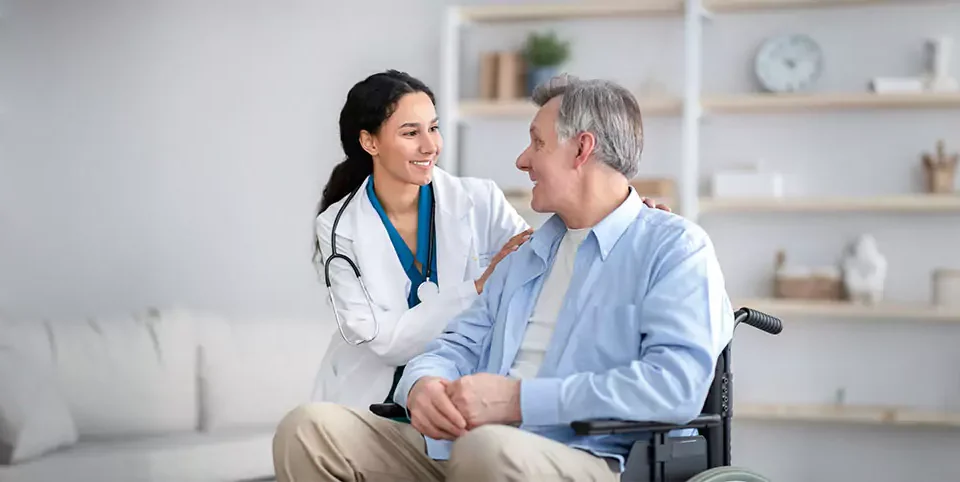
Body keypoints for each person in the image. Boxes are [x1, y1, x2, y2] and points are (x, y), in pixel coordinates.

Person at [277, 73, 731, 481]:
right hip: (461, 441)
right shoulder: (528, 254)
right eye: (411, 132)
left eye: (536, 143)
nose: (521, 160)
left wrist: (519, 401)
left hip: (581, 451)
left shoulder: (672, 247)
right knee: (308, 429)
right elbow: (453, 343)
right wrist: (423, 385)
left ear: (581, 149)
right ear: (370, 142)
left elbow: (675, 386)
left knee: (487, 448)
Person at [308, 70, 671, 410]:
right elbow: (385, 342)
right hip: (368, 394)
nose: (430, 145)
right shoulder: (338, 228)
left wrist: (628, 215)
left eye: (433, 128)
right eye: (410, 133)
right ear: (370, 141)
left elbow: (543, 257)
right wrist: (479, 287)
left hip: (453, 392)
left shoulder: (478, 200)